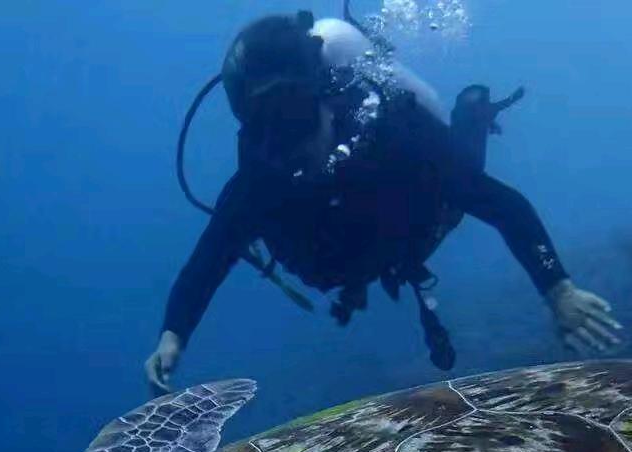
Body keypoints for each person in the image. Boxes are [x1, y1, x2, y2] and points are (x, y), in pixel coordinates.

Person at [145, 11, 621, 395]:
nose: (291, 145)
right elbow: (207, 261)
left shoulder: (395, 136)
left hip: (423, 224)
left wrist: (558, 290)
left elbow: (503, 204)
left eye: (295, 118)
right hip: (349, 259)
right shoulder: (258, 182)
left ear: (325, 97)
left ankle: (471, 113)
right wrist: (173, 336)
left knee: (461, 171)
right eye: (267, 130)